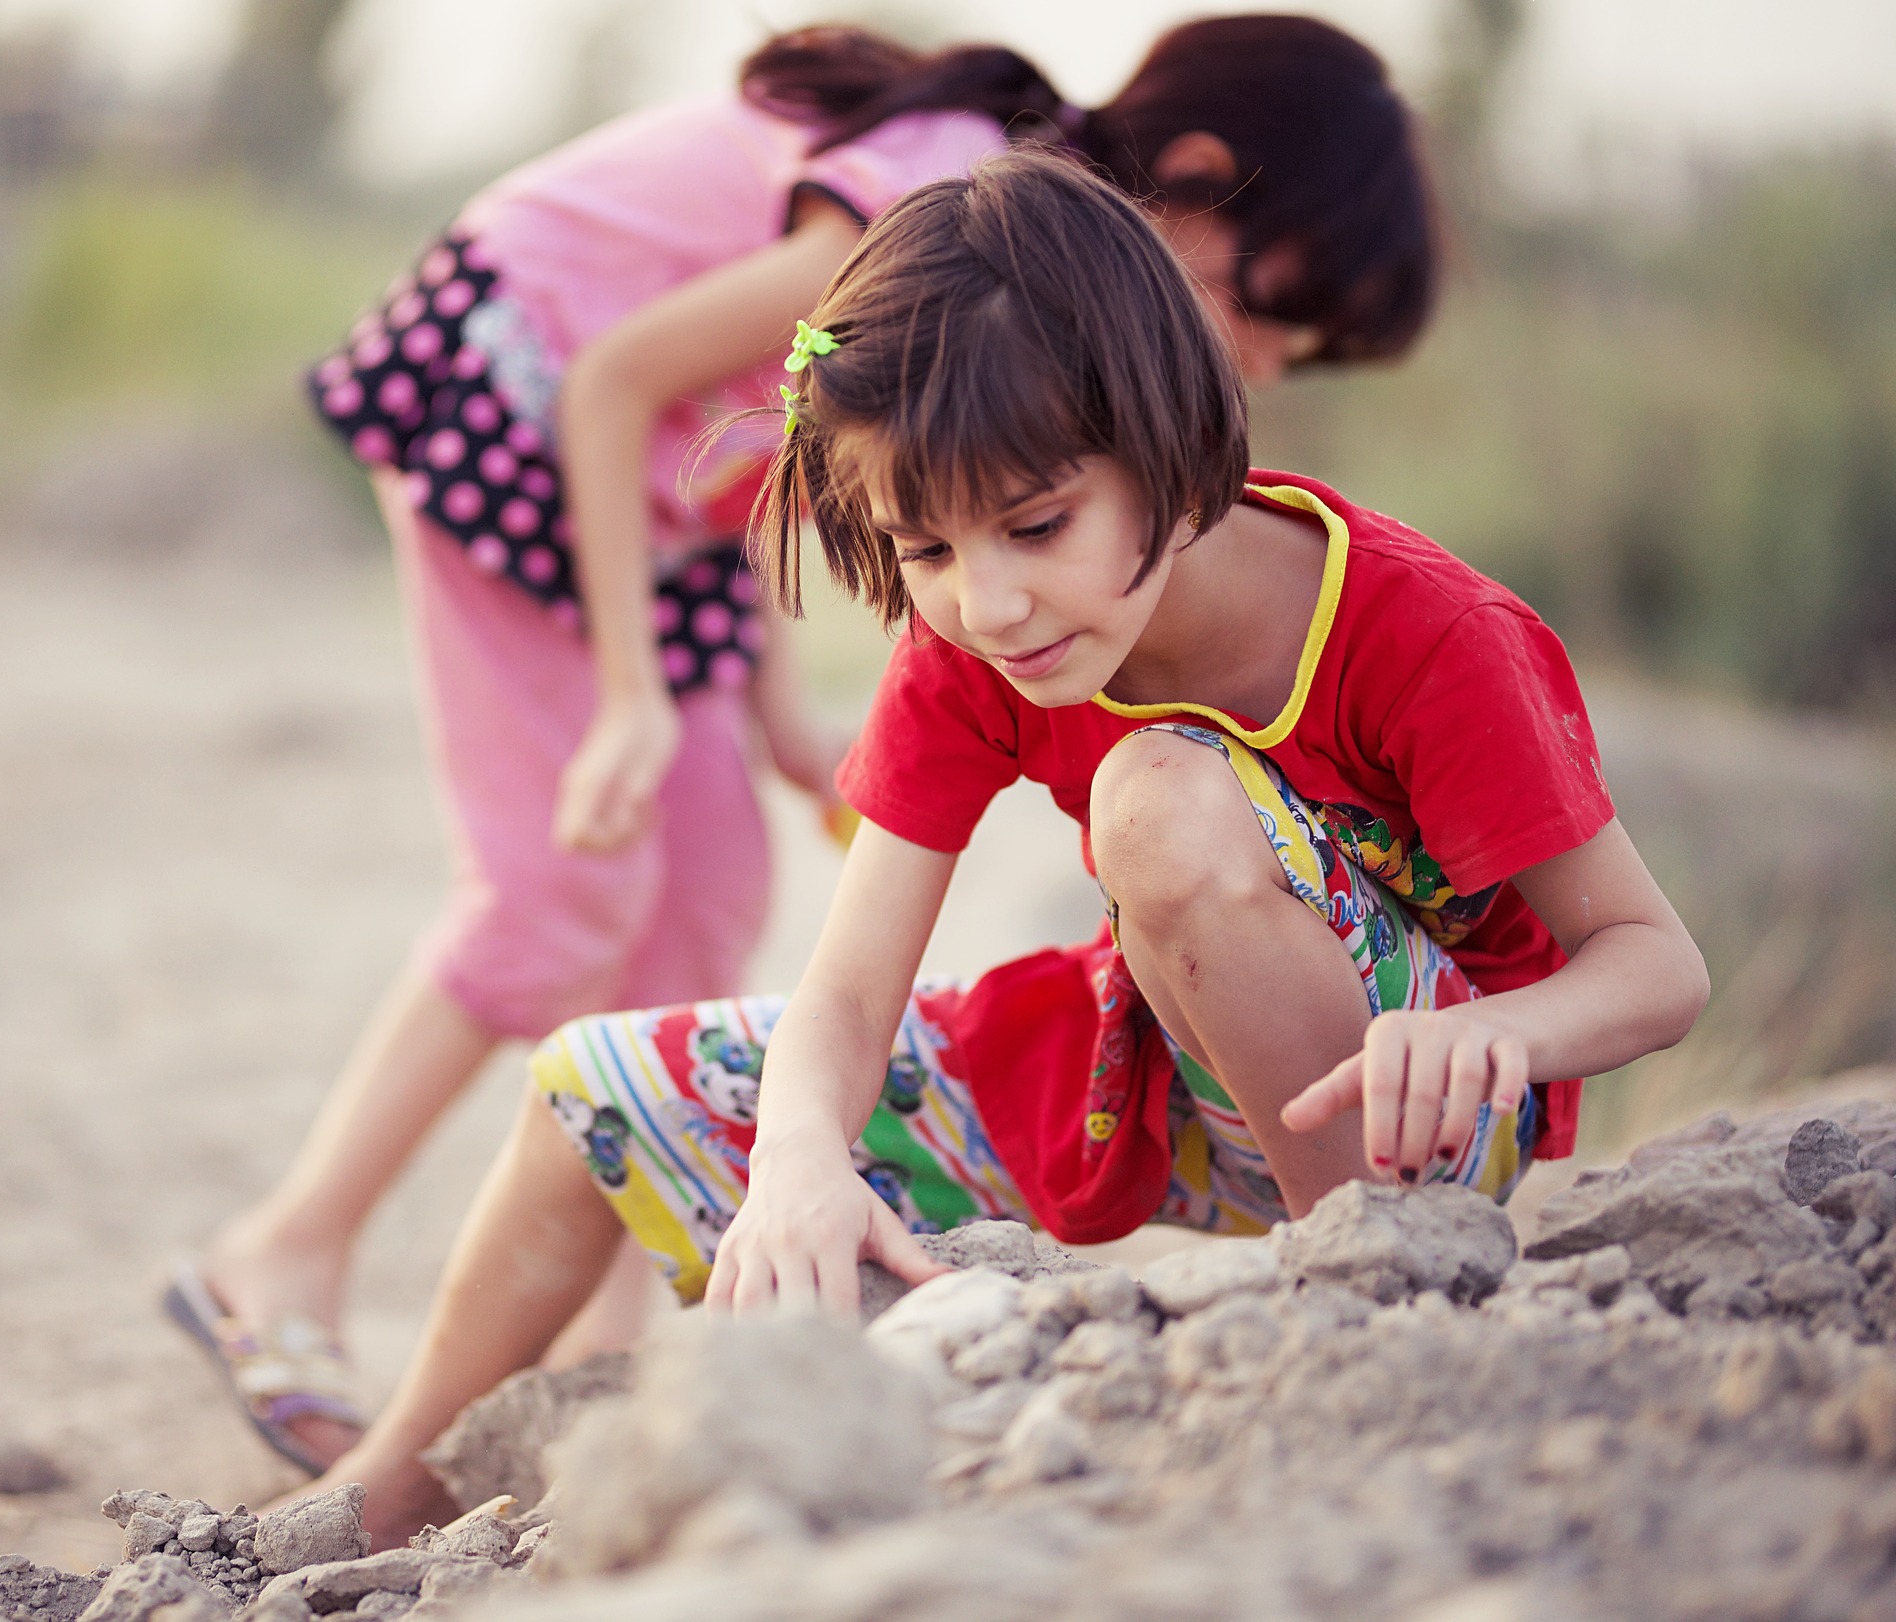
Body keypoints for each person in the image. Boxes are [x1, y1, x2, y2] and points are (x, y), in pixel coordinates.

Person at [293, 144, 1707, 1544]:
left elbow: (1654, 966)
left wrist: (1501, 1037)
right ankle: (383, 1486)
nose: (994, 603)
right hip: (1152, 1070)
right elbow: (847, 996)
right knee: (583, 1088)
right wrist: (796, 1154)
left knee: (1156, 793)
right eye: (928, 550)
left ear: (1168, 436)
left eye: (1039, 524)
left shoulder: (1423, 634)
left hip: (1421, 1118)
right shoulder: (971, 645)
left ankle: (1351, 1312)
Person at [187, 13, 1444, 1489]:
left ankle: (608, 1322)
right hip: (523, 416)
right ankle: (283, 1249)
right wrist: (631, 693)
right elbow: (619, 385)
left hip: (671, 514)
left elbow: (787, 462)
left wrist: (780, 721)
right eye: (1272, 308)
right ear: (1199, 175)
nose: (1265, 362)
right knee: (564, 892)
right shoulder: (953, 213)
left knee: (713, 887)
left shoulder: (1033, 282)